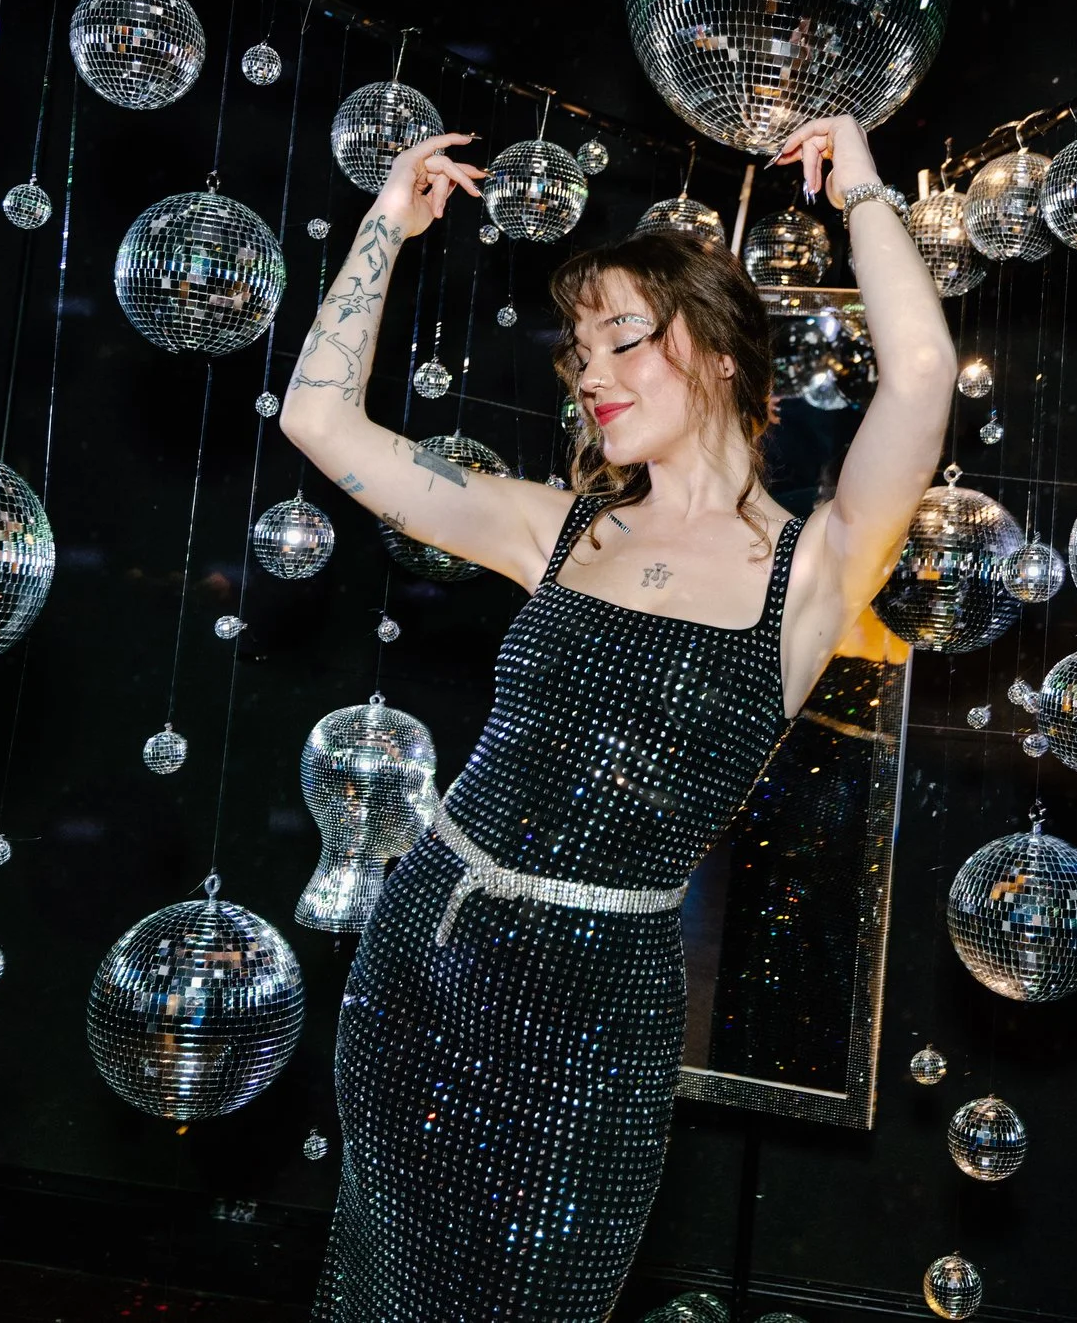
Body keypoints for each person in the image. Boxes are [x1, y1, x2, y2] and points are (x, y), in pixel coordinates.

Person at [280, 113, 955, 1320]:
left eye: (622, 338)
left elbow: (920, 377)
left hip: (603, 1007)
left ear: (721, 353)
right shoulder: (554, 529)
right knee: (380, 1292)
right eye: (576, 351)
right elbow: (319, 426)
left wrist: (860, 189)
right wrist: (388, 223)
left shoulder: (813, 573)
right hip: (428, 953)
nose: (588, 372)